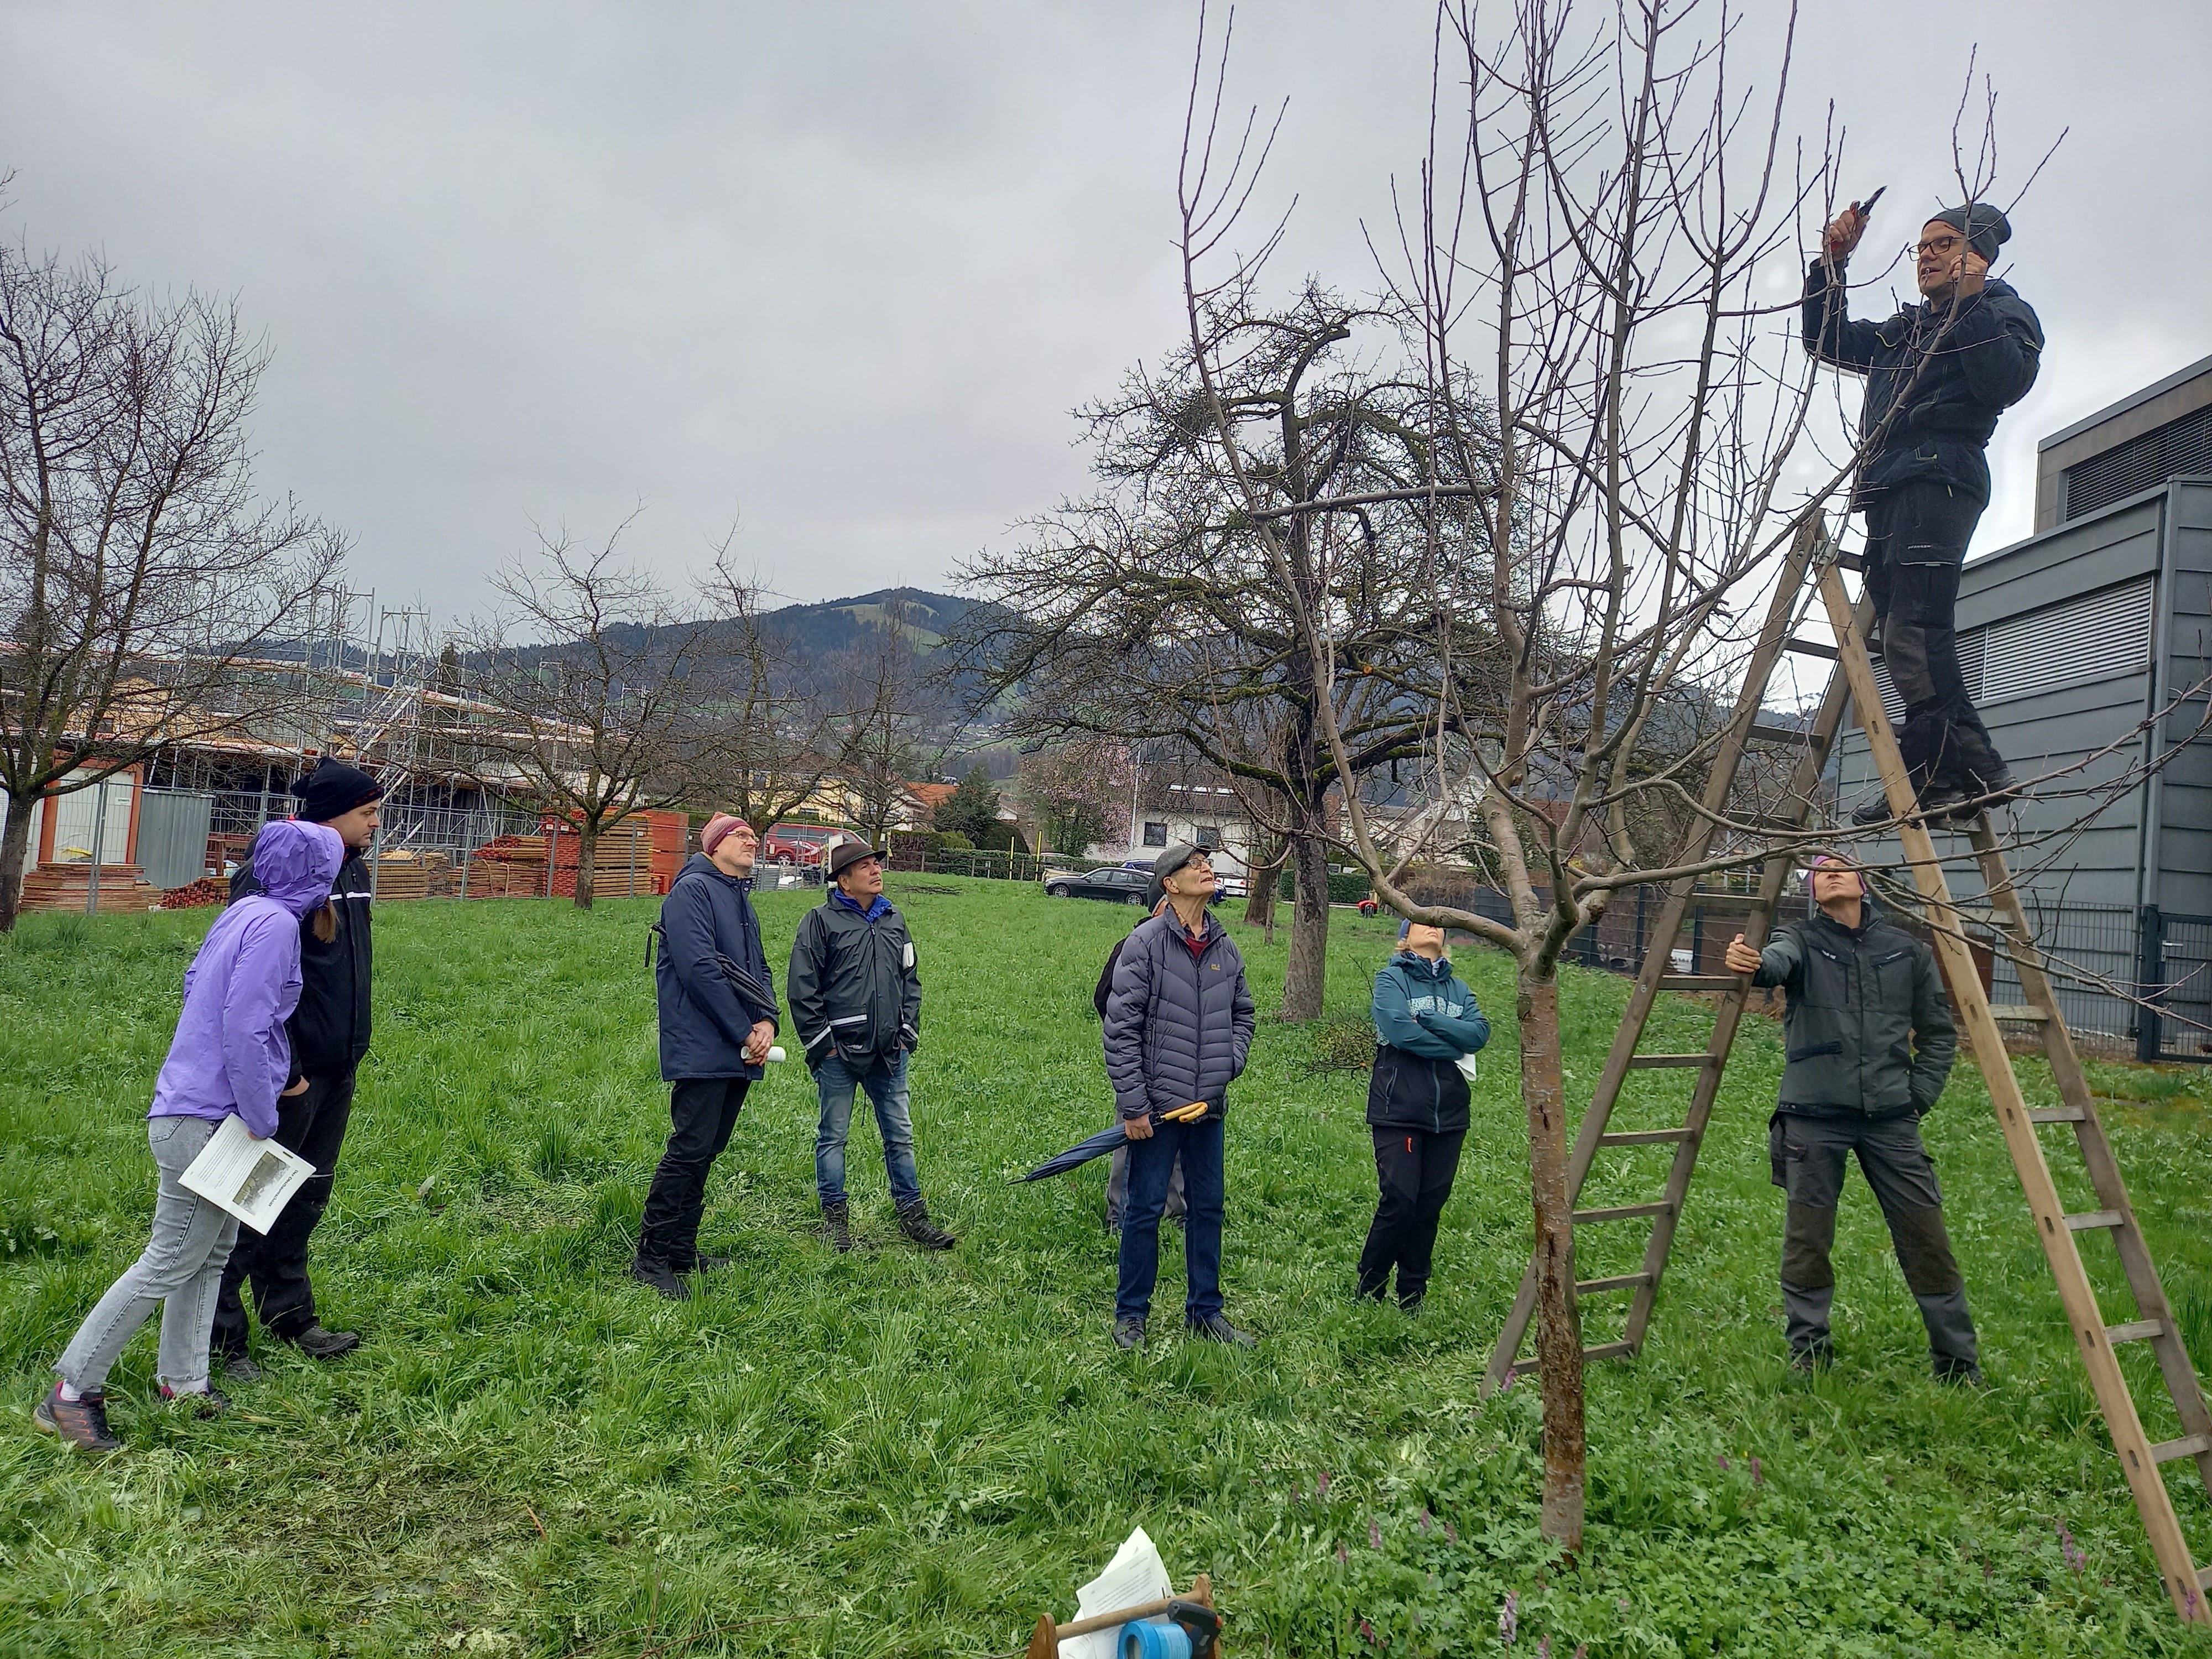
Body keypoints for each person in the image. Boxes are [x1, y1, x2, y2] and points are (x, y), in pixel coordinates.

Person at [38, 820, 345, 1451]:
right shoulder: (278, 925)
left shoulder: (244, 912)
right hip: (210, 1120)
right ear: (319, 873)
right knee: (171, 1258)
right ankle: (70, 1392)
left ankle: (185, 1382)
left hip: (192, 1109)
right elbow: (246, 1025)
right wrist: (262, 1114)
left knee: (210, 1254)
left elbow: (194, 986)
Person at [1804, 196, 2044, 823]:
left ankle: (1935, 777)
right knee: (1905, 636)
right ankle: (1975, 769)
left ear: (1978, 255)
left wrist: (1969, 302)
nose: (1927, 257)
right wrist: (1831, 265)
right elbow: (1827, 340)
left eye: (1943, 244)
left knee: (1914, 632)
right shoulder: (1905, 328)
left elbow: (2005, 383)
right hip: (1888, 486)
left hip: (1939, 478)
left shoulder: (2000, 310)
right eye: (1921, 248)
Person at [1724, 854, 1980, 1383]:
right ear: (1812, 889)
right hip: (1813, 1117)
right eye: (1820, 869)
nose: (1831, 873)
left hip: (1891, 1119)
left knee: (1927, 1239)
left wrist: (1917, 1098)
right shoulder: (1800, 940)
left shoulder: (1907, 951)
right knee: (1808, 1241)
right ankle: (1809, 1358)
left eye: (1841, 866)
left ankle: (1959, 1366)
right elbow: (1775, 964)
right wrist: (1751, 961)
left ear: (1864, 883)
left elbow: (1938, 1034)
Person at [213, 758, 383, 1377]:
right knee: (248, 1202)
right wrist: (287, 1074)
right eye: (366, 813)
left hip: (339, 1067)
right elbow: (252, 988)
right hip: (292, 1076)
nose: (375, 823)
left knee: (304, 1196)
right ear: (330, 815)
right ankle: (220, 1337)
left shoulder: (354, 870)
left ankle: (289, 1314)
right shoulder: (270, 876)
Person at [1102, 843, 1256, 1349]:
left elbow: (1243, 1015)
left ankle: (1205, 1312)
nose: (1206, 869)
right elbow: (1120, 1029)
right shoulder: (1144, 944)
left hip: (1208, 1108)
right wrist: (1134, 1106)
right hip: (1158, 1109)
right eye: (1194, 865)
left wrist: (1226, 1066)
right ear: (1170, 884)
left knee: (1207, 1209)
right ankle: (1131, 1315)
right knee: (1144, 1210)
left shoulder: (1224, 947)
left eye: (1207, 863)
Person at [633, 813, 780, 1300]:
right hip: (702, 1042)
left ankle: (681, 1249)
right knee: (690, 1148)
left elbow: (759, 968)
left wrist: (768, 1021)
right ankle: (651, 1257)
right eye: (741, 835)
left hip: (738, 1044)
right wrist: (745, 1030)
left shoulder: (739, 898)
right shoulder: (691, 892)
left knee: (709, 1147)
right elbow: (699, 970)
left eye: (754, 836)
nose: (752, 841)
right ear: (715, 845)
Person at [787, 840, 955, 1253]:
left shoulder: (894, 920)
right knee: (833, 1136)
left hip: (889, 1053)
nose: (876, 871)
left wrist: (907, 1033)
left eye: (876, 865)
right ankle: (835, 1220)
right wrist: (825, 1045)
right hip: (838, 1054)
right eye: (865, 867)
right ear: (844, 881)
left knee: (900, 1136)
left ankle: (913, 1216)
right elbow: (802, 989)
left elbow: (911, 979)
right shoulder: (819, 923)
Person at [1358, 920, 1490, 1311]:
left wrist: (1430, 1020)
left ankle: (1412, 1294)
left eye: (1439, 924)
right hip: (1399, 1108)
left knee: (1429, 1206)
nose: (1433, 927)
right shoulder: (1391, 979)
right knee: (1400, 1200)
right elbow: (1400, 1032)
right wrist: (1453, 1044)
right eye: (1423, 921)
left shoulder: (1459, 988)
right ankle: (1370, 1287)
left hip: (1449, 1113)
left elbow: (1478, 1034)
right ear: (1405, 936)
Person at [1095, 895, 1185, 1232]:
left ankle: (1177, 1212)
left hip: (1183, 1065)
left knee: (1180, 1139)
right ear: (1159, 908)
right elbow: (1105, 1000)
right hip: (1143, 1063)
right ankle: (1119, 1215)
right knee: (1133, 1136)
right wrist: (1138, 1042)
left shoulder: (1194, 949)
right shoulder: (1131, 947)